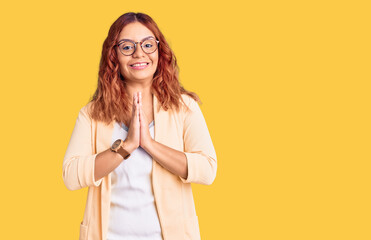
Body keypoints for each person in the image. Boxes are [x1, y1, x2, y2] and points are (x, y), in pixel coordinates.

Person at [62, 12, 217, 240]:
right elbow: (70, 176)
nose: (139, 53)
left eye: (147, 44)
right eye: (127, 47)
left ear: (159, 51)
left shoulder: (185, 107)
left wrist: (149, 144)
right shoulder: (92, 114)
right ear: (113, 55)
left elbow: (207, 170)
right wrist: (126, 147)